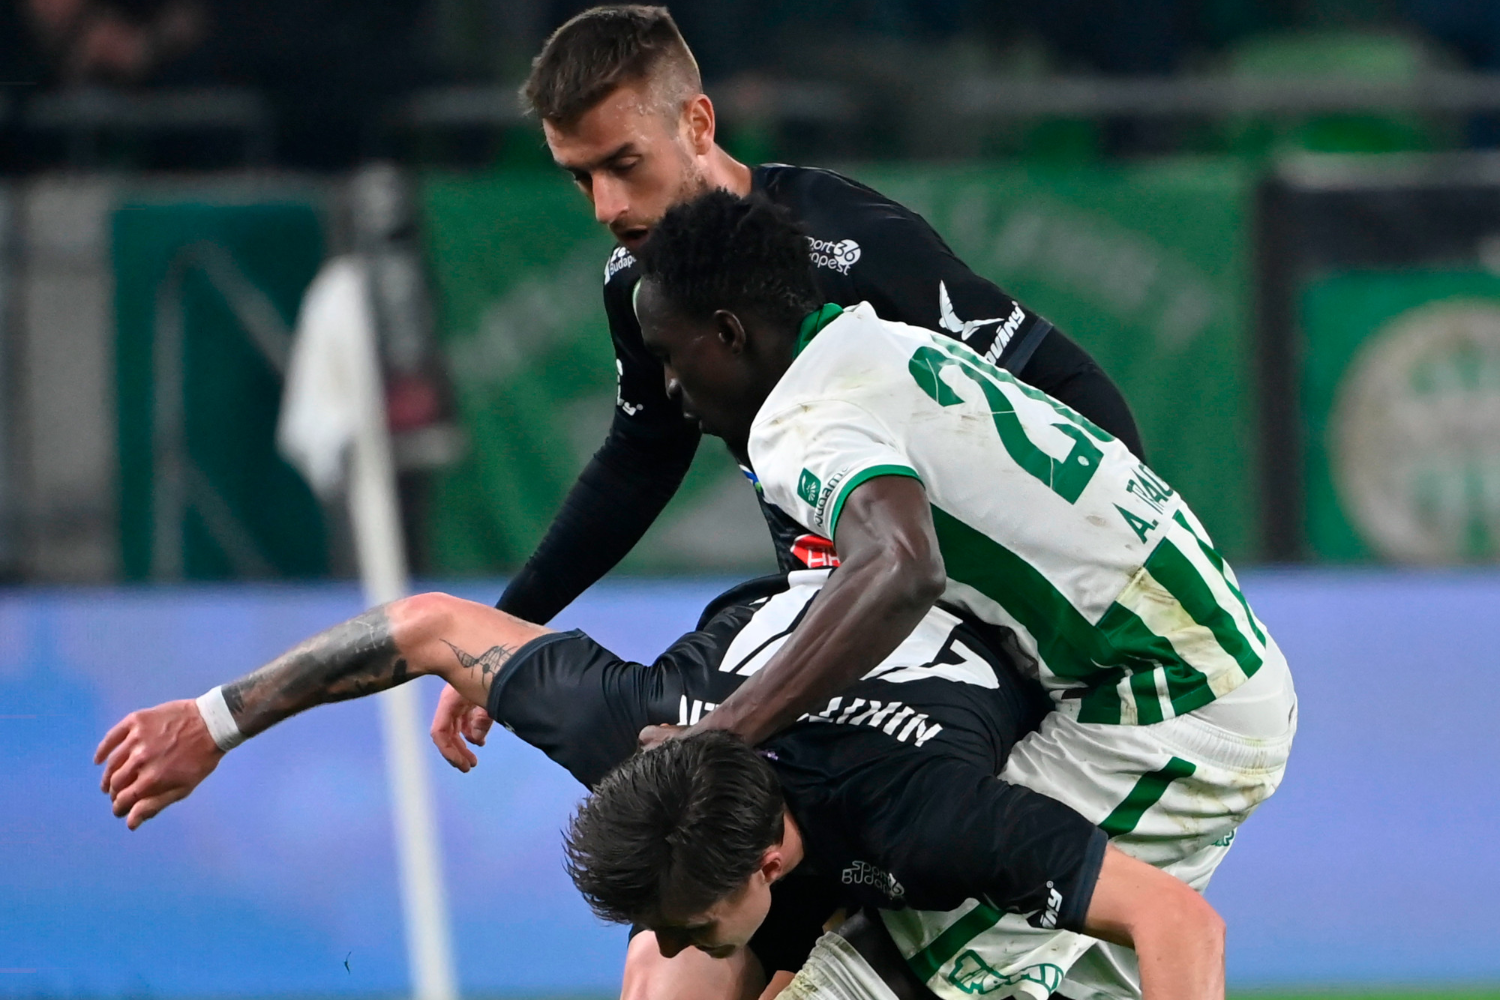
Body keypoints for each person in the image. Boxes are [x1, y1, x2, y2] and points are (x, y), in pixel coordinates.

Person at [432, 5, 1146, 767]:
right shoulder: (637, 283)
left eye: (625, 164)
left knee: (765, 780)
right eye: (581, 177)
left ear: (697, 124)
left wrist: (1113, 589)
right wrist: (499, 636)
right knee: (673, 766)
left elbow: (1068, 391)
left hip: (955, 615)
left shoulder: (857, 247)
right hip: (834, 609)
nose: (607, 206)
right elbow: (640, 458)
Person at [627, 190, 1297, 999]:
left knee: (866, 980)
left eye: (670, 354)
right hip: (1185, 667)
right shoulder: (881, 342)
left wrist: (725, 732)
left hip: (1165, 700)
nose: (668, 384)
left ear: (730, 333)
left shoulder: (801, 419)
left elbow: (902, 566)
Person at [95, 572, 1223, 1000]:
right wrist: (213, 720)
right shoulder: (626, 726)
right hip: (792, 706)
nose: (673, 937)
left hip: (944, 727)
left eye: (686, 920)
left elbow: (1178, 923)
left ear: (769, 863)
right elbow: (427, 626)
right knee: (663, 994)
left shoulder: (931, 818)